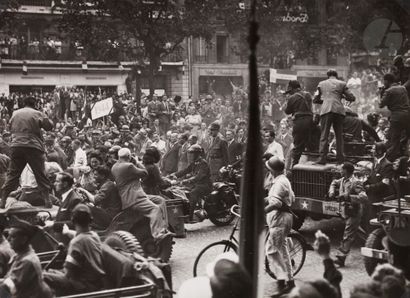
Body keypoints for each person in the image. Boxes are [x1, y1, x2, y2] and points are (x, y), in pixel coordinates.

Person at [1, 96, 53, 208]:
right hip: (33, 146)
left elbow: (10, 127)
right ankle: (47, 200)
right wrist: (44, 115)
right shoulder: (37, 113)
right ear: (35, 104)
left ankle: (3, 199)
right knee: (40, 173)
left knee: (13, 174)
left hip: (16, 146)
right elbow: (49, 127)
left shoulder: (15, 113)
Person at [111, 148, 172, 242]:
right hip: (134, 197)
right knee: (155, 209)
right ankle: (157, 234)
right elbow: (144, 173)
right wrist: (136, 161)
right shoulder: (129, 166)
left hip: (133, 195)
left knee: (160, 200)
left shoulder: (114, 167)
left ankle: (163, 227)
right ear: (129, 156)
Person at [44, 204, 105, 296]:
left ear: (73, 221)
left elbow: (68, 273)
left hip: (83, 286)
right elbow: (82, 235)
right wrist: (67, 232)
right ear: (90, 220)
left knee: (42, 276)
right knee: (51, 272)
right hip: (96, 282)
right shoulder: (94, 236)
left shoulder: (76, 242)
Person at [264, 156, 295, 296]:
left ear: (273, 171)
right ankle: (284, 281)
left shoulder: (279, 183)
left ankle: (287, 283)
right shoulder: (283, 180)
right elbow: (289, 198)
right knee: (274, 251)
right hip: (281, 219)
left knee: (277, 252)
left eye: (269, 169)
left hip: (280, 219)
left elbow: (276, 203)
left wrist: (261, 212)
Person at [0, 216, 52, 298]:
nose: (8, 239)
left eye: (13, 237)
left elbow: (7, 288)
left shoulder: (27, 261)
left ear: (24, 239)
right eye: (8, 236)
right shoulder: (19, 255)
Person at [328, 162, 367, 267]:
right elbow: (333, 183)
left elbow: (364, 197)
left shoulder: (356, 182)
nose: (340, 171)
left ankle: (341, 258)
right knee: (356, 231)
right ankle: (372, 244)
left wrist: (348, 197)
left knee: (348, 234)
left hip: (354, 211)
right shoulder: (342, 180)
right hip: (346, 212)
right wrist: (331, 192)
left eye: (342, 169)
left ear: (346, 171)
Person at [313, 69, 356, 164]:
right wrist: (342, 97)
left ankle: (322, 158)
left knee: (324, 134)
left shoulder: (321, 84)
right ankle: (340, 158)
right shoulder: (342, 83)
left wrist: (325, 101)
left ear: (328, 75)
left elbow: (315, 99)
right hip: (339, 110)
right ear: (336, 75)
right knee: (339, 135)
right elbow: (352, 97)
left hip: (326, 110)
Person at [172, 144, 212, 222]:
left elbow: (198, 177)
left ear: (197, 154)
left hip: (204, 185)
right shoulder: (194, 162)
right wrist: (174, 175)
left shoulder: (203, 163)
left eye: (192, 153)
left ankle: (190, 216)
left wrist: (185, 181)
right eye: (189, 153)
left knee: (193, 193)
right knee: (181, 191)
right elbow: (185, 170)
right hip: (196, 184)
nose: (190, 155)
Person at [379, 72, 410, 161]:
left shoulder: (388, 91)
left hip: (396, 117)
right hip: (407, 115)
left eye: (384, 81)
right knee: (407, 136)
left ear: (386, 81)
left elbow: (381, 104)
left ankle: (390, 161)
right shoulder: (403, 88)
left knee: (394, 140)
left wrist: (381, 92)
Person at [284, 80, 313, 167]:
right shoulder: (308, 94)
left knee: (297, 145)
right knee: (310, 143)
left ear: (292, 89)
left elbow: (287, 111)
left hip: (299, 122)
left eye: (290, 91)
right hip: (310, 121)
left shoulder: (291, 98)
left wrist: (288, 101)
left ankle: (294, 168)